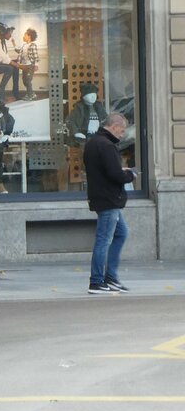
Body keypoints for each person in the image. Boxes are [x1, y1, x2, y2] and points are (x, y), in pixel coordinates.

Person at [83, 112, 137, 294]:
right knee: (104, 240)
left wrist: (119, 170)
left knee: (121, 233)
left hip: (103, 196)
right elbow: (115, 175)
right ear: (114, 127)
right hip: (109, 198)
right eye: (121, 131)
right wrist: (130, 174)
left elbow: (104, 170)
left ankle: (111, 277)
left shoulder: (93, 143)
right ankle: (97, 281)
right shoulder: (107, 145)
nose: (122, 135)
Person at [67, 82, 108, 146]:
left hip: (99, 135)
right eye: (90, 95)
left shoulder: (99, 107)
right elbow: (70, 121)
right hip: (85, 135)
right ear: (83, 96)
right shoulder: (79, 108)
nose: (93, 97)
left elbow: (106, 119)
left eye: (94, 94)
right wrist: (76, 132)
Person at [0, 23, 20, 101]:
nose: (10, 35)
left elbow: (5, 56)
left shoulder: (3, 41)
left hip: (0, 63)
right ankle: (1, 90)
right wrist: (13, 63)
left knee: (16, 68)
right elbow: (0, 57)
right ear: (3, 33)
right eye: (9, 33)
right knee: (10, 68)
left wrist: (14, 62)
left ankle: (15, 93)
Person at [17, 28, 39, 101]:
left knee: (28, 80)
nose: (23, 36)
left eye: (25, 35)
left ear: (29, 36)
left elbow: (36, 56)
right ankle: (32, 93)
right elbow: (19, 53)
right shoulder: (24, 45)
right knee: (24, 80)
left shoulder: (33, 45)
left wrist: (36, 65)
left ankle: (30, 95)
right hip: (24, 66)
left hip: (30, 66)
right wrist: (18, 62)